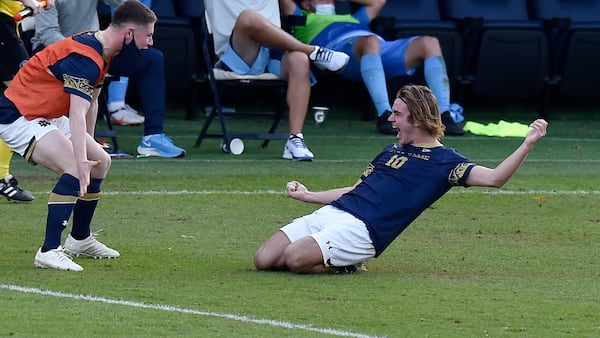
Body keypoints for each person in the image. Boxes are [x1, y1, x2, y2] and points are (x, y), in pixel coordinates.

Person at [254, 84, 548, 274]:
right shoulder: (391, 149)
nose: (391, 119)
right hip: (334, 213)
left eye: (397, 114)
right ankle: (333, 258)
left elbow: (496, 178)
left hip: (363, 230)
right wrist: (308, 195)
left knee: (294, 258)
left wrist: (526, 145)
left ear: (417, 119)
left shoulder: (446, 161)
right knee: (264, 260)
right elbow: (357, 189)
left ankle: (347, 265)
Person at [0, 0, 158, 270]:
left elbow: (92, 102)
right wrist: (78, 160)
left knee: (100, 162)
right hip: (19, 115)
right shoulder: (87, 56)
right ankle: (48, 250)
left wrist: (89, 145)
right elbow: (76, 111)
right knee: (74, 166)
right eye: (149, 35)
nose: (151, 42)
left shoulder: (103, 51)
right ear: (129, 33)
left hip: (47, 113)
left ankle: (80, 239)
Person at [278, 0, 465, 136]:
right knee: (371, 41)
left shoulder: (352, 18)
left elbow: (378, 2)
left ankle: (443, 115)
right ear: (306, 4)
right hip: (343, 55)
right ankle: (385, 114)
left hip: (378, 48)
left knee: (429, 42)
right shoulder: (301, 17)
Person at [32, 0, 185, 158]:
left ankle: (152, 137)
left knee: (152, 59)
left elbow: (125, 5)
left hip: (94, 50)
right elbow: (48, 34)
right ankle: (78, 144)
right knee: (88, 78)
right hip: (54, 54)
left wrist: (90, 53)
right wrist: (83, 52)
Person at [205, 0, 350, 161]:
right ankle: (313, 51)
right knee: (249, 17)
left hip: (272, 49)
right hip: (237, 53)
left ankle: (295, 140)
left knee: (299, 60)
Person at [0, 0, 53, 201]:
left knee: (20, 100)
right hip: (3, 26)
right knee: (25, 98)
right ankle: (1, 176)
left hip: (8, 25)